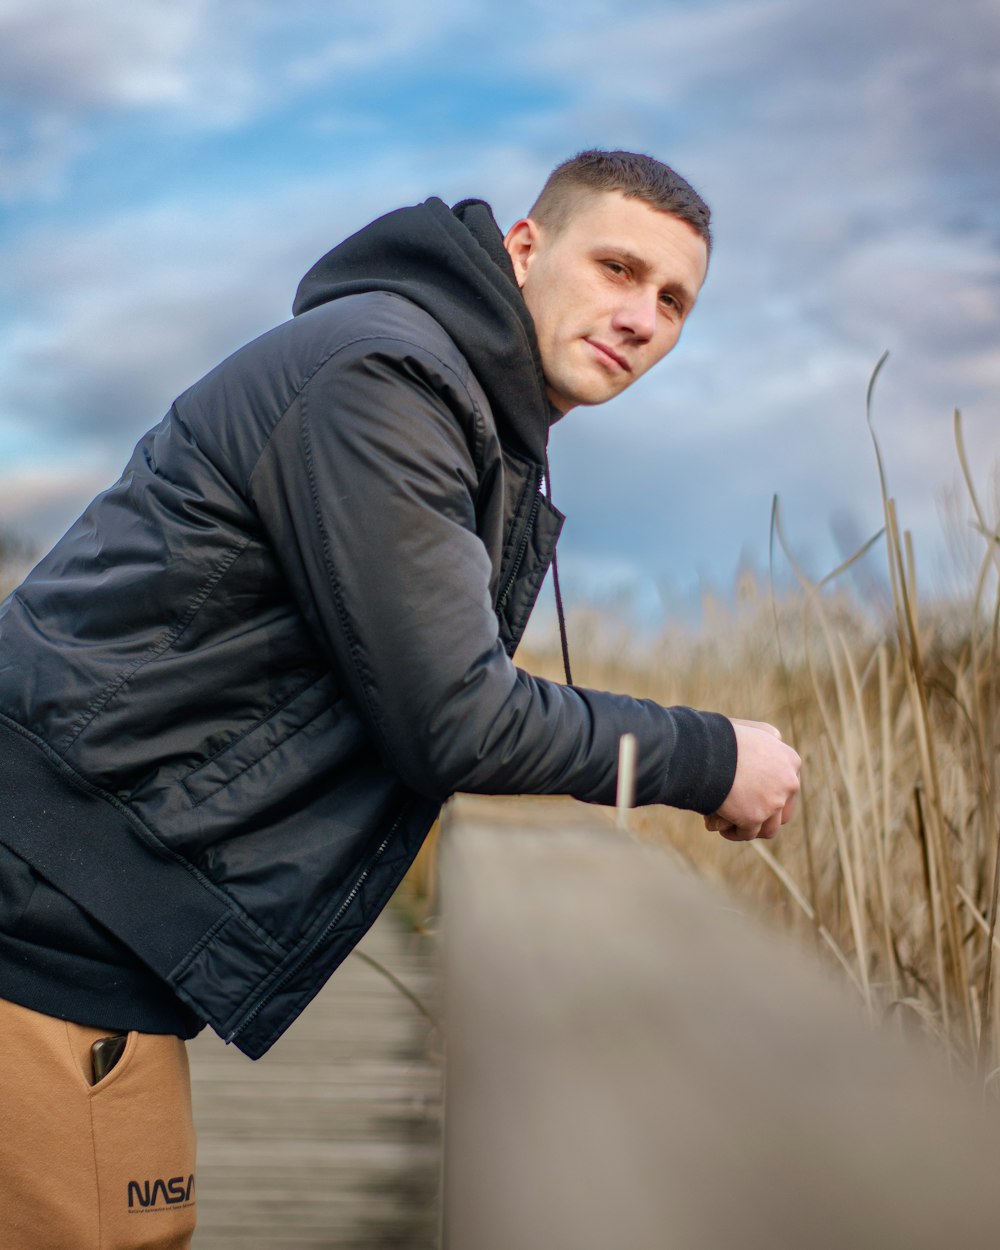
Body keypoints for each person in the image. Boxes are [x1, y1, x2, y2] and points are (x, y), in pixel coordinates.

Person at [0, 149, 800, 1248]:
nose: (641, 316)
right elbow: (454, 717)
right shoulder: (389, 380)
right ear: (525, 247)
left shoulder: (442, 395)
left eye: (672, 301)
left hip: (77, 902)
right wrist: (711, 755)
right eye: (617, 267)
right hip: (46, 908)